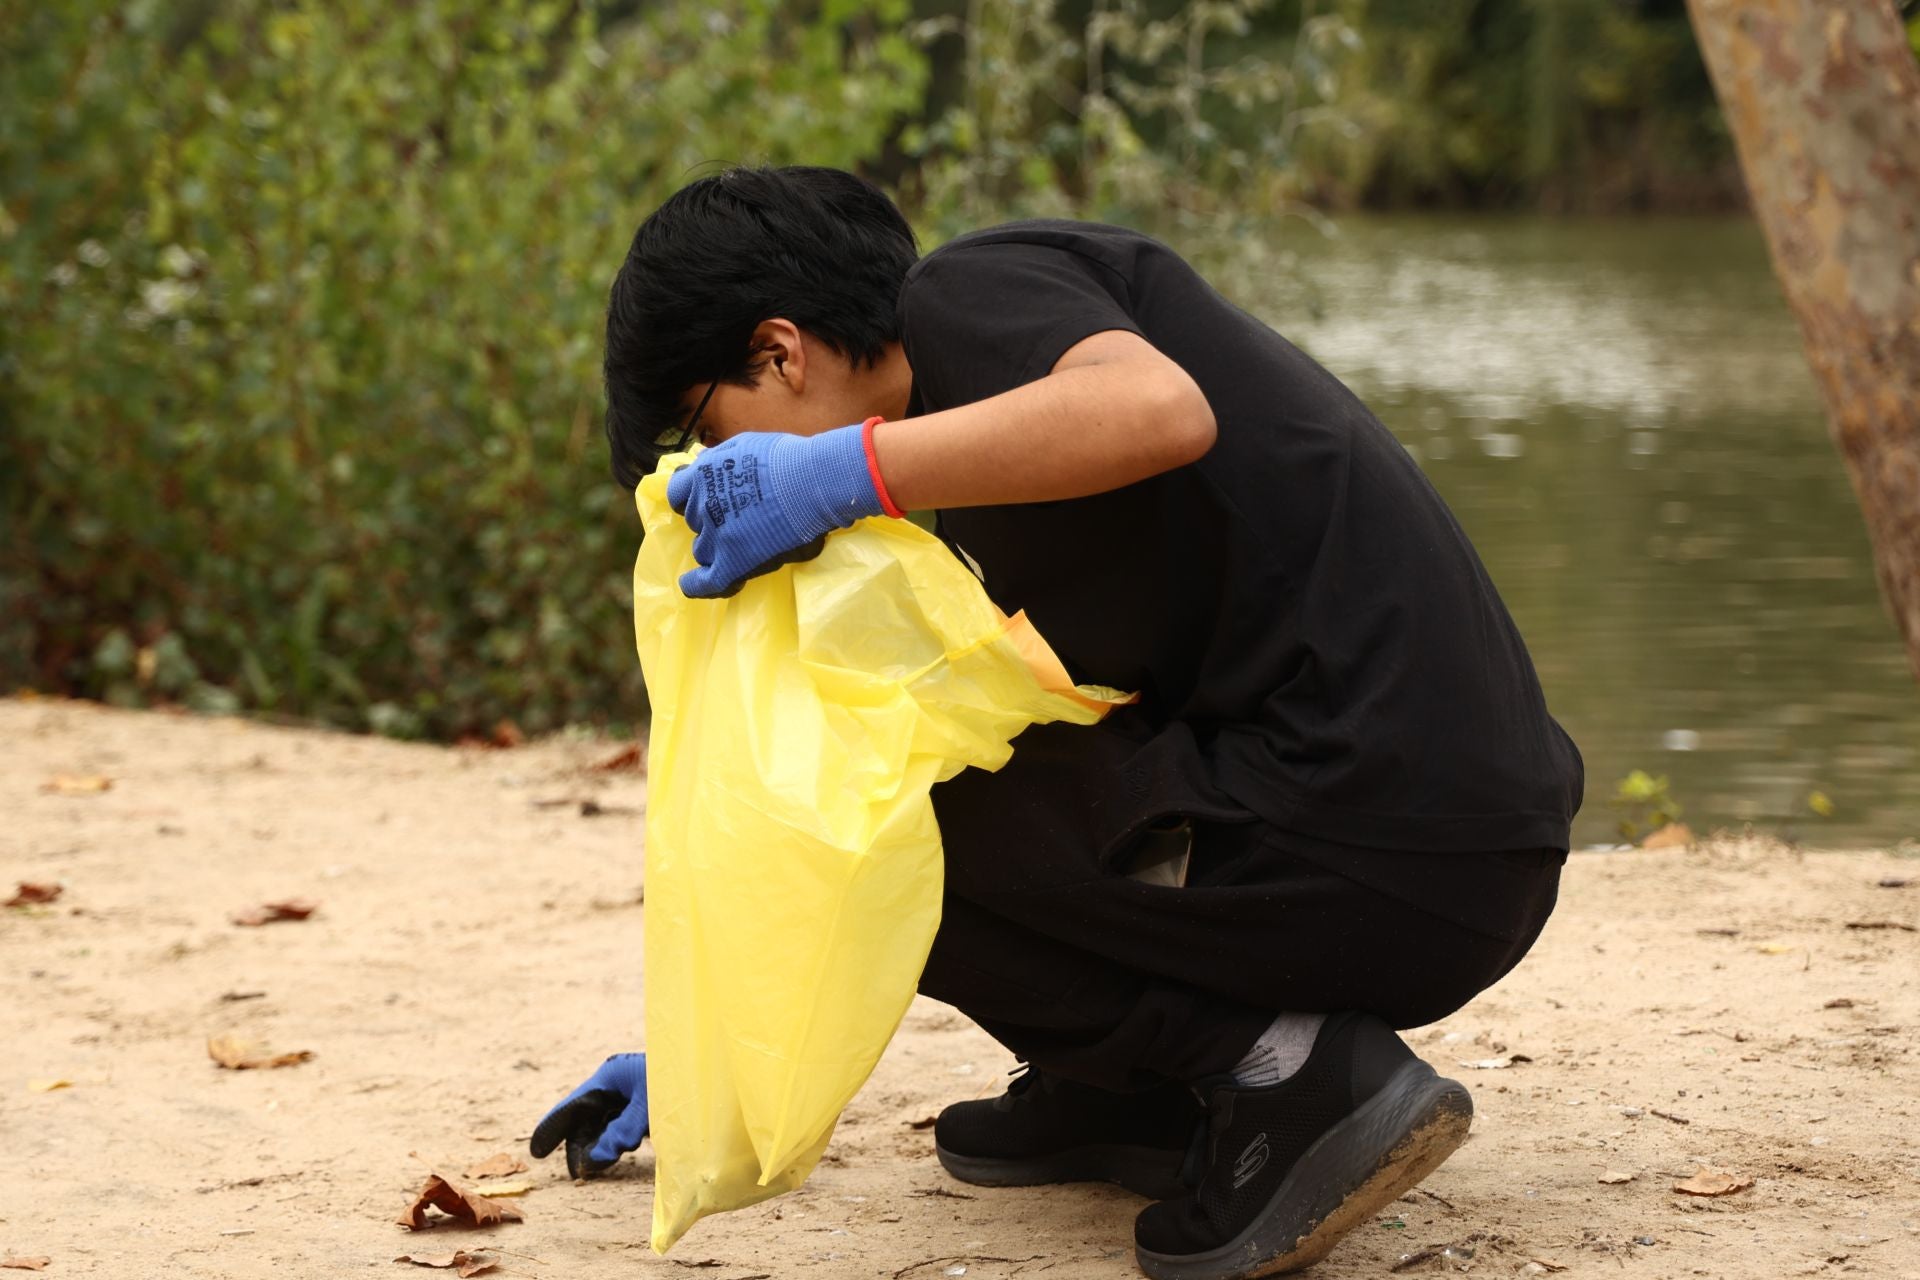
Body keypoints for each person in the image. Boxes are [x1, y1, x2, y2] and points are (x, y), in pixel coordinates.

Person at [530, 165, 1584, 1279]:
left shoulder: (970, 293)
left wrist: (842, 471)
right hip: (1433, 854)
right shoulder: (985, 478)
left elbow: (1158, 410)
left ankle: (1280, 1069)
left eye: (704, 438)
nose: (721, 480)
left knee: (869, 785)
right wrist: (706, 1053)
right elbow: (1063, 773)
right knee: (917, 759)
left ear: (781, 351)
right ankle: (1134, 1092)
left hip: (1384, 825)